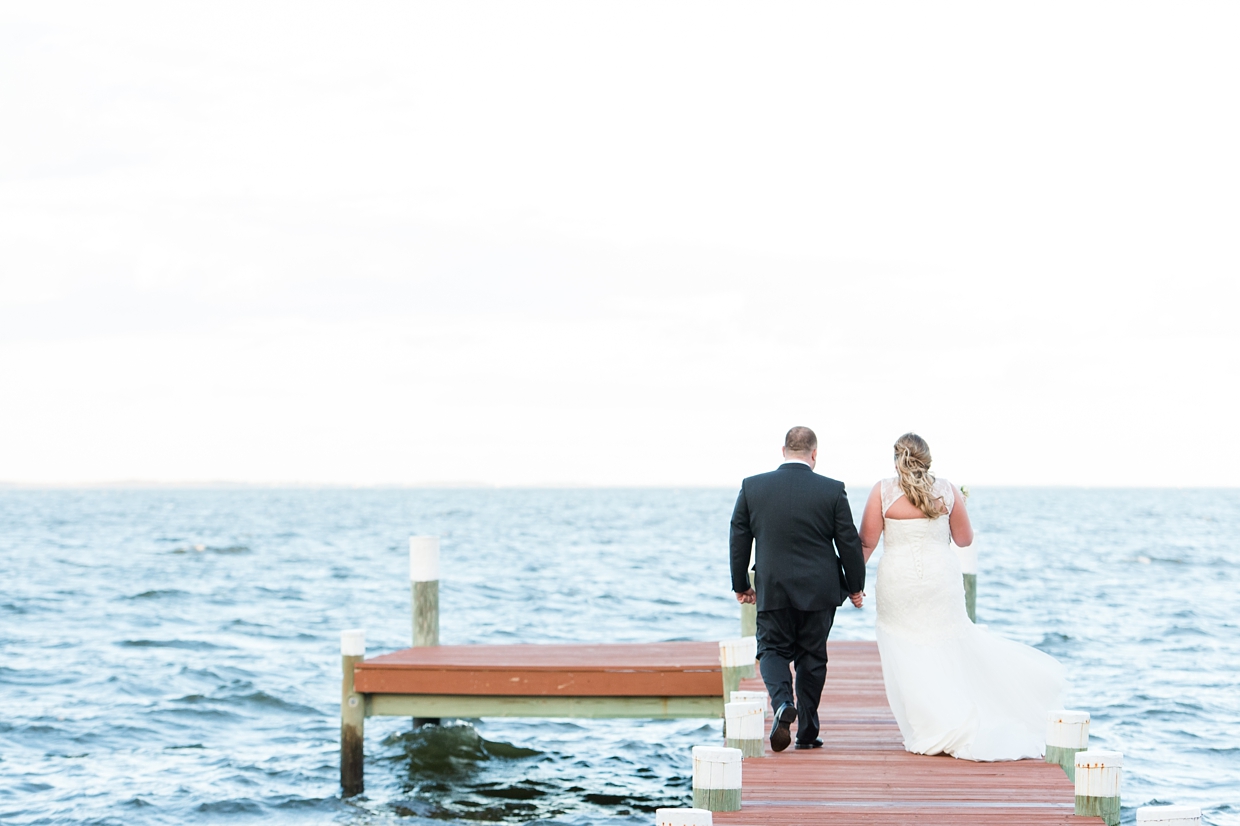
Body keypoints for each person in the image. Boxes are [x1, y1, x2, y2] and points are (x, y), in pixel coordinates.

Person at [858, 432, 1064, 760]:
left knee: (904, 645)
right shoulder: (947, 490)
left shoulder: (882, 491)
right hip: (940, 579)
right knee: (946, 641)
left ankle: (929, 725)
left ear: (897, 458)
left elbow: (866, 543)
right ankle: (952, 715)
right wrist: (960, 507)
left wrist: (853, 585)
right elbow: (965, 540)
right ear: (927, 459)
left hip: (899, 581)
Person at [730, 426, 866, 752]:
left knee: (772, 650)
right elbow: (849, 541)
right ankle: (807, 731)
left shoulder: (753, 487)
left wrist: (741, 584)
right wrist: (855, 586)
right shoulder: (832, 490)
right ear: (814, 454)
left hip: (772, 586)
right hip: (820, 589)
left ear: (783, 450)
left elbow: (738, 536)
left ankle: (781, 704)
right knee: (812, 657)